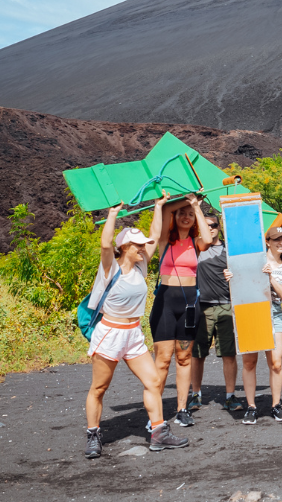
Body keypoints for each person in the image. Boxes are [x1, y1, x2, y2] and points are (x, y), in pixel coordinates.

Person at [84, 195, 188, 458]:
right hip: (110, 332)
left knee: (153, 381)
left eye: (143, 246)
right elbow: (105, 243)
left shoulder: (141, 266)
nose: (143, 248)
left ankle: (158, 433)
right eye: (138, 245)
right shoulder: (109, 268)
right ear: (125, 247)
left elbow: (155, 233)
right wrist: (112, 214)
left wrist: (158, 206)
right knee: (99, 388)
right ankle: (93, 435)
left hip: (133, 334)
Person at [153, 193, 214, 428]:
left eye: (190, 215)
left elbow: (207, 239)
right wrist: (186, 200)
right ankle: (155, 411)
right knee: (162, 361)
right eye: (183, 213)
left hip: (190, 304)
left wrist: (196, 206)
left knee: (184, 357)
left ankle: (181, 409)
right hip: (165, 303)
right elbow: (166, 208)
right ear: (175, 216)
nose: (186, 217)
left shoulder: (195, 243)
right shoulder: (163, 240)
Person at [227, 226, 282, 423]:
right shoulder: (252, 261)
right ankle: (251, 407)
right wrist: (230, 277)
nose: (281, 243)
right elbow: (239, 281)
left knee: (276, 363)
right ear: (267, 242)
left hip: (274, 313)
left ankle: (275, 406)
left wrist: (270, 278)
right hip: (252, 312)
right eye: (276, 240)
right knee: (249, 362)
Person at [190, 213, 244, 413]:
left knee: (228, 354)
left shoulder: (229, 251)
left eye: (213, 225)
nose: (209, 228)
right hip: (201, 306)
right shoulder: (195, 248)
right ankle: (196, 394)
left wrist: (234, 276)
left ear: (219, 227)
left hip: (226, 306)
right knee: (197, 355)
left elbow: (242, 275)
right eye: (205, 225)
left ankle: (230, 396)